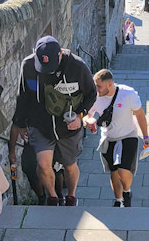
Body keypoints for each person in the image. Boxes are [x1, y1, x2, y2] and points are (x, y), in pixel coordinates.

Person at [9, 35, 96, 206]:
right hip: (40, 124)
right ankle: (53, 197)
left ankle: (71, 196)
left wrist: (80, 115)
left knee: (70, 165)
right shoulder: (28, 65)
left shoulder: (77, 66)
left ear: (60, 55)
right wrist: (20, 123)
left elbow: (91, 94)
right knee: (42, 164)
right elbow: (23, 96)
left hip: (67, 126)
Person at [83, 69, 149, 207]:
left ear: (110, 84)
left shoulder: (127, 94)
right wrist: (88, 121)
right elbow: (86, 115)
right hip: (108, 138)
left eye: (99, 86)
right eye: (95, 85)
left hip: (128, 135)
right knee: (114, 172)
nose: (96, 89)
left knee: (123, 170)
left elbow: (139, 114)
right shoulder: (95, 97)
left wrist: (146, 136)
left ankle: (127, 191)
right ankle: (118, 200)